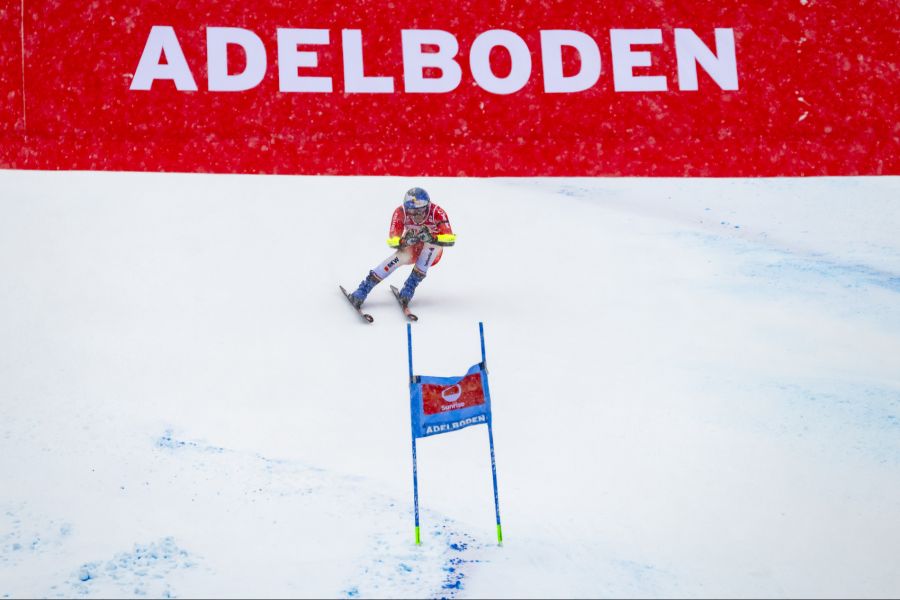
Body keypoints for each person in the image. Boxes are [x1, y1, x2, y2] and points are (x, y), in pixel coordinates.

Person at [348, 187, 456, 308]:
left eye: (421, 210)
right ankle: (364, 289)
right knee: (399, 257)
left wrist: (433, 238)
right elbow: (392, 241)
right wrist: (404, 242)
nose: (417, 215)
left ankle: (409, 287)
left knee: (432, 246)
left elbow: (450, 239)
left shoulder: (437, 212)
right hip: (412, 247)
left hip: (433, 253)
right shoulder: (400, 212)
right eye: (412, 211)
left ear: (428, 206)